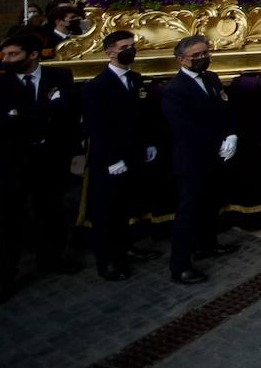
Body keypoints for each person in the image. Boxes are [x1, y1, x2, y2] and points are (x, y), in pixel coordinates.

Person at [0, 32, 81, 303]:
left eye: (13, 54)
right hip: (9, 161)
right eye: (5, 54)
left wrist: (23, 117)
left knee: (50, 210)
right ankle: (2, 277)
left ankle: (52, 257)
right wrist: (41, 115)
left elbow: (66, 116)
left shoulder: (60, 78)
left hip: (48, 158)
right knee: (5, 220)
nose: (6, 59)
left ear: (33, 55)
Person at [159, 35, 239, 285]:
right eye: (197, 56)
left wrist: (231, 134)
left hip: (214, 155)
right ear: (181, 60)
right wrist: (218, 141)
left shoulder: (211, 78)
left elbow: (223, 109)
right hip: (193, 159)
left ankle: (208, 244)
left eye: (206, 53)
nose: (204, 58)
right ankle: (180, 265)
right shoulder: (175, 90)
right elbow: (186, 128)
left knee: (210, 204)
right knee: (189, 212)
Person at [84, 30, 161, 281]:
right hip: (110, 160)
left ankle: (125, 247)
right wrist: (111, 159)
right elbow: (97, 127)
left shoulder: (136, 79)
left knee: (125, 206)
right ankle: (107, 261)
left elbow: (143, 117)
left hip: (133, 153)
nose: (131, 50)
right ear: (110, 52)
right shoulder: (98, 86)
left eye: (132, 45)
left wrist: (148, 143)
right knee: (107, 212)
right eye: (124, 47)